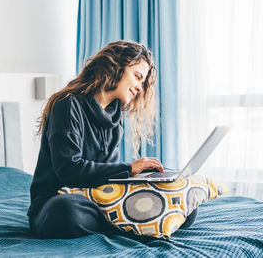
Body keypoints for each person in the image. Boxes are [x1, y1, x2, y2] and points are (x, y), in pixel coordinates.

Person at [27, 40, 198, 239]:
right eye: (137, 77)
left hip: (99, 199)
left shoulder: (114, 118)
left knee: (186, 207)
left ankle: (119, 220)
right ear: (115, 66)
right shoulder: (67, 105)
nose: (139, 88)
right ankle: (126, 221)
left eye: (142, 82)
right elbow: (68, 170)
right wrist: (128, 168)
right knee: (67, 212)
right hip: (58, 200)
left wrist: (143, 178)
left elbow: (107, 176)